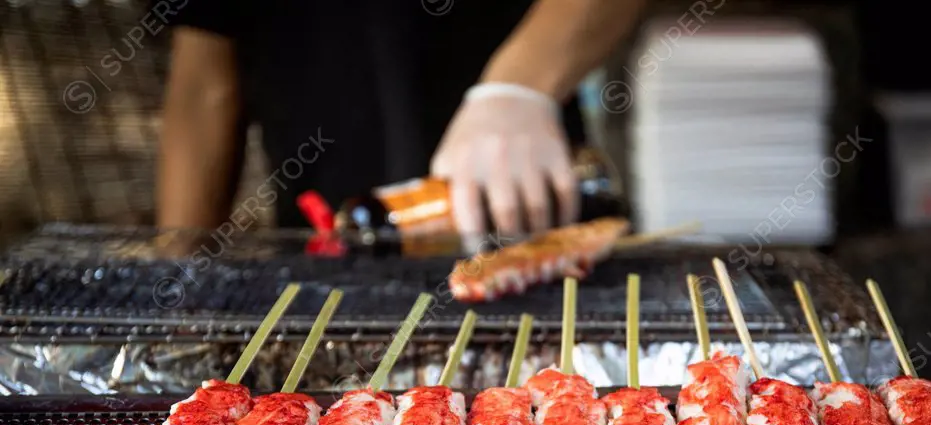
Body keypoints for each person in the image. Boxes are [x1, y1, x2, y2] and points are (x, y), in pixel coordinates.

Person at [156, 0, 647, 248]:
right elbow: (203, 81)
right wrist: (178, 268)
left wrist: (516, 90)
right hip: (332, 242)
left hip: (529, 222)